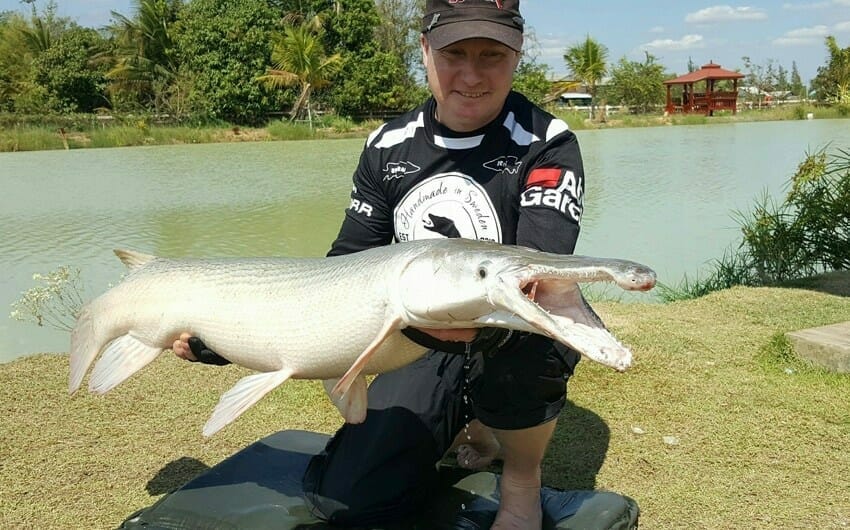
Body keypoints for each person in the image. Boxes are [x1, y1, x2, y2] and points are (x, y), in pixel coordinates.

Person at [173, 0, 590, 527]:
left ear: (517, 55)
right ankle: (467, 420)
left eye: (492, 55)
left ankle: (520, 481)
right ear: (424, 50)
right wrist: (222, 341)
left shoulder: (547, 142)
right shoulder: (387, 145)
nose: (471, 74)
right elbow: (345, 266)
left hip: (507, 319)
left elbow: (541, 269)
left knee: (539, 330)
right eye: (454, 53)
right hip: (413, 333)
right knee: (356, 498)